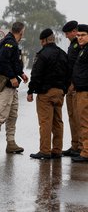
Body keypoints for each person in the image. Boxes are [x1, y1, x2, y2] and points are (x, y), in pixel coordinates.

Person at [27, 28, 69, 159]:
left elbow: (36, 74)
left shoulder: (42, 54)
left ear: (43, 40)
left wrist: (30, 90)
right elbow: (69, 73)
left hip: (46, 93)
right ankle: (57, 150)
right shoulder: (63, 54)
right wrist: (64, 90)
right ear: (53, 39)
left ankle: (45, 150)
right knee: (58, 122)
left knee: (45, 122)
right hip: (60, 92)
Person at [0, 21, 28, 153]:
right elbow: (2, 62)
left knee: (12, 115)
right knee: (1, 114)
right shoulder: (9, 42)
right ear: (21, 32)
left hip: (11, 86)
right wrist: (12, 76)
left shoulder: (13, 43)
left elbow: (13, 62)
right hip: (4, 83)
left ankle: (11, 142)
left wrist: (21, 74)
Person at [61, 21, 81, 157]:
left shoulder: (79, 44)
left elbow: (77, 66)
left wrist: (73, 82)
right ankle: (75, 145)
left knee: (79, 118)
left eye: (68, 33)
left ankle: (81, 146)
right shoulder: (72, 44)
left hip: (76, 86)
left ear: (74, 31)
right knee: (72, 117)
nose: (66, 36)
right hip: (70, 86)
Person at [71, 24, 88, 162]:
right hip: (80, 89)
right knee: (82, 121)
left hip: (85, 90)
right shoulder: (83, 49)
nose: (79, 38)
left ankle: (86, 152)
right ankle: (83, 149)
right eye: (78, 35)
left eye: (83, 35)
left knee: (85, 122)